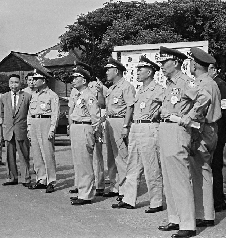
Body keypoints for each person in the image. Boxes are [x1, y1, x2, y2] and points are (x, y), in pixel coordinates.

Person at [156, 46, 210, 238]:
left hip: (177, 129)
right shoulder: (170, 84)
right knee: (169, 177)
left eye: (164, 62)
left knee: (179, 177)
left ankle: (187, 223)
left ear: (176, 62)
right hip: (165, 128)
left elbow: (204, 97)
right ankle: (175, 217)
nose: (161, 66)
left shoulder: (185, 81)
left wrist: (190, 116)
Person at [111, 55, 163, 212]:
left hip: (149, 128)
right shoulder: (140, 89)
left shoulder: (158, 89)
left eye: (140, 69)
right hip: (136, 127)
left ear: (149, 71)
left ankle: (156, 202)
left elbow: (168, 103)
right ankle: (128, 199)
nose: (137, 72)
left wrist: (159, 111)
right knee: (132, 165)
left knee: (151, 167)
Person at [189, 48, 221, 228]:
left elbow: (199, 110)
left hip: (202, 130)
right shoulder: (210, 82)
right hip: (209, 129)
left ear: (195, 64)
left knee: (200, 171)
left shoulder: (203, 84)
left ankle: (205, 213)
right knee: (204, 171)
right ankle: (205, 212)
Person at [96, 57, 136, 199]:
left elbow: (130, 107)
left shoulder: (126, 86)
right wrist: (100, 91)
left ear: (116, 71)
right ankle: (114, 186)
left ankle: (125, 189)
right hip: (109, 122)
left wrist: (126, 126)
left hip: (120, 121)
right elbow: (102, 105)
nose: (106, 72)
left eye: (108, 70)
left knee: (122, 156)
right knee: (111, 157)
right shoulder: (112, 88)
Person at [68, 61, 107, 197]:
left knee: (86, 162)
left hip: (85, 127)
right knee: (79, 161)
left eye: (76, 78)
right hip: (77, 126)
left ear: (84, 80)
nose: (73, 81)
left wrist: (96, 132)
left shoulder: (89, 95)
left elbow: (95, 116)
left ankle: (86, 194)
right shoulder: (79, 94)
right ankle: (82, 190)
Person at [207, 62, 226, 212]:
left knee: (216, 167)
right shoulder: (212, 84)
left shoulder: (221, 85)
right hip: (215, 130)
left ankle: (218, 201)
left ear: (214, 69)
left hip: (218, 130)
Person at [27, 71, 60, 193]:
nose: (33, 81)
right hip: (34, 123)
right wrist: (29, 128)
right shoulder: (33, 95)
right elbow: (29, 114)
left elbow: (55, 114)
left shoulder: (52, 95)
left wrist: (52, 129)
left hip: (45, 123)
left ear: (44, 80)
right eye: (33, 79)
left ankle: (51, 181)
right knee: (37, 154)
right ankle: (41, 179)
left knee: (48, 154)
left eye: (36, 79)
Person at [0, 74, 32, 187]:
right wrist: (5, 125)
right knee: (9, 155)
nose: (14, 85)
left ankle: (25, 178)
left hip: (21, 130)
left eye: (16, 82)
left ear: (20, 84)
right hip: (8, 130)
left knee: (24, 155)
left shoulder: (27, 96)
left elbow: (30, 114)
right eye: (12, 82)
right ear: (9, 84)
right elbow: (2, 113)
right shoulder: (4, 97)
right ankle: (12, 177)